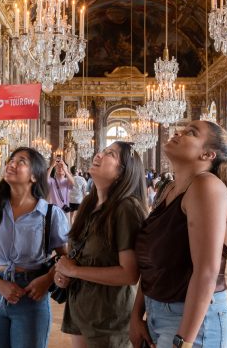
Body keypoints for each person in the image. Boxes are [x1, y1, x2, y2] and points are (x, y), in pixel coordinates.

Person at [131, 121, 227, 348]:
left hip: (195, 323)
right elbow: (153, 265)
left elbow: (206, 271)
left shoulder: (206, 187)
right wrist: (136, 315)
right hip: (158, 313)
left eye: (190, 133)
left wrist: (184, 341)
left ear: (207, 154)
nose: (178, 133)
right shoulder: (170, 189)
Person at [0, 147, 70, 348]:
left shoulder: (50, 214)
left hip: (32, 295)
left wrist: (47, 279)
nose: (11, 164)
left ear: (34, 176)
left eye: (21, 161)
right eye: (11, 160)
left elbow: (65, 259)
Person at [55, 141, 147, 347]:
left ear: (123, 173)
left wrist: (75, 271)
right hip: (80, 310)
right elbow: (80, 257)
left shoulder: (126, 209)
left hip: (108, 318)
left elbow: (130, 274)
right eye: (103, 151)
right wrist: (63, 274)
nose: (99, 155)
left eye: (110, 154)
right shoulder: (89, 203)